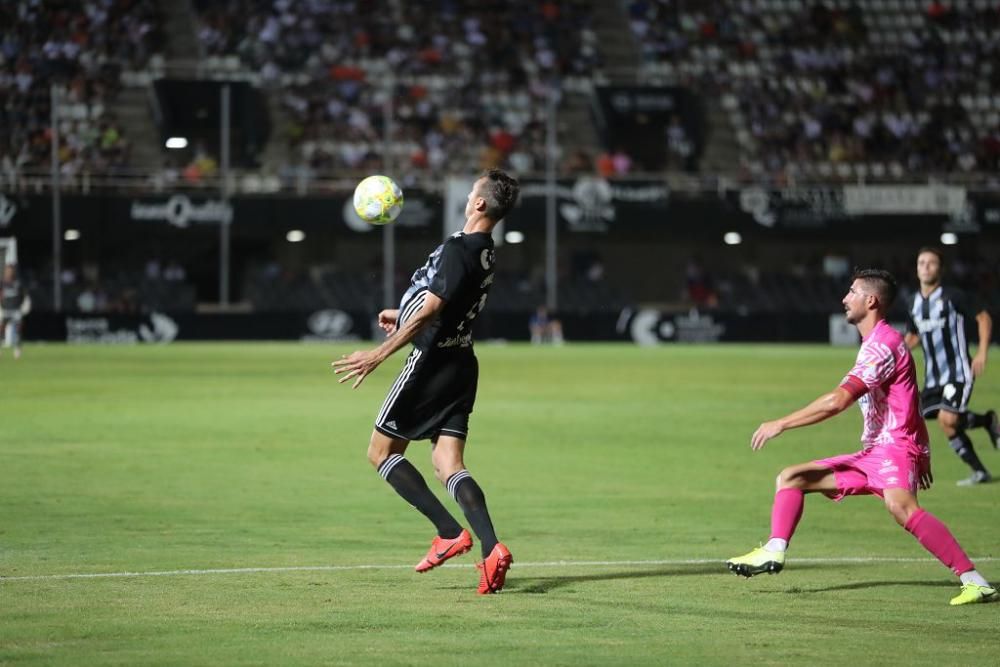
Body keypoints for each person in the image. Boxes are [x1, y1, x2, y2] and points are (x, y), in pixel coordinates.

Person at [726, 268, 996, 606]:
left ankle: (975, 581)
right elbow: (910, 402)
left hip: (892, 449)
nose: (844, 298)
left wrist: (781, 423)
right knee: (792, 478)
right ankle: (774, 550)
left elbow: (838, 401)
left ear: (871, 300)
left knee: (902, 508)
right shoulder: (880, 342)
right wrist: (923, 453)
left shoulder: (882, 346)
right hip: (876, 452)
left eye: (851, 292)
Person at [333, 169, 520, 595]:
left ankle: (449, 532)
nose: (468, 191)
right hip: (461, 362)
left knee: (381, 453)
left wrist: (379, 354)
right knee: (448, 464)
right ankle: (491, 549)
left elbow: (433, 310)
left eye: (473, 189)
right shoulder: (484, 250)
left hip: (431, 363)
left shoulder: (460, 248)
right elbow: (448, 303)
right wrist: (402, 314)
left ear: (479, 204)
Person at [904, 247, 999, 486]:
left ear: (941, 269)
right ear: (916, 269)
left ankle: (981, 458)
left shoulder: (953, 296)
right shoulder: (913, 302)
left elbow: (984, 318)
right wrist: (895, 352)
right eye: (921, 262)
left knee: (948, 418)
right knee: (935, 421)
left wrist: (982, 352)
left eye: (931, 263)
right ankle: (984, 439)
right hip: (933, 378)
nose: (925, 267)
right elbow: (914, 336)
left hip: (958, 371)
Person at [0, 264, 30, 359]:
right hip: (5, 309)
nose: (9, 273)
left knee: (18, 330)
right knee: (1, 330)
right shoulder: (2, 283)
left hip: (16, 310)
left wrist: (25, 305)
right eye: (7, 271)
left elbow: (24, 295)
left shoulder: (18, 283)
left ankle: (17, 350)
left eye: (10, 271)